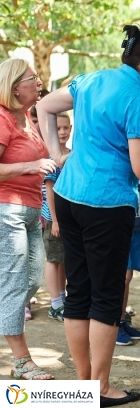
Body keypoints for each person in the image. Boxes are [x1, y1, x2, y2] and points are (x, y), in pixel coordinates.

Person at [37, 25, 140, 406]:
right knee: (107, 299)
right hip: (106, 205)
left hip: (68, 194)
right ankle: (101, 388)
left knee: (79, 293)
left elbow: (44, 106)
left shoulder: (92, 78)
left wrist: (59, 157)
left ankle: (85, 385)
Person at [0, 58, 55, 380]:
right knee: (15, 283)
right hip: (8, 210)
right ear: (13, 86)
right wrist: (29, 167)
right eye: (32, 78)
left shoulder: (26, 119)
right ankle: (23, 362)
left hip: (33, 212)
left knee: (32, 280)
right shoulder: (3, 118)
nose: (38, 83)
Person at [42, 113, 72, 322]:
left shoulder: (72, 153)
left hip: (69, 216)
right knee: (53, 259)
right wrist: (55, 220)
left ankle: (62, 299)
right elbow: (49, 190)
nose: (62, 132)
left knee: (63, 259)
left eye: (66, 128)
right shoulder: (52, 156)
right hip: (55, 217)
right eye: (58, 128)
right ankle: (55, 303)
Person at [117, 180, 140, 346]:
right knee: (123, 276)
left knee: (129, 276)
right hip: (122, 225)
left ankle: (123, 321)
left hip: (139, 228)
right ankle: (115, 323)